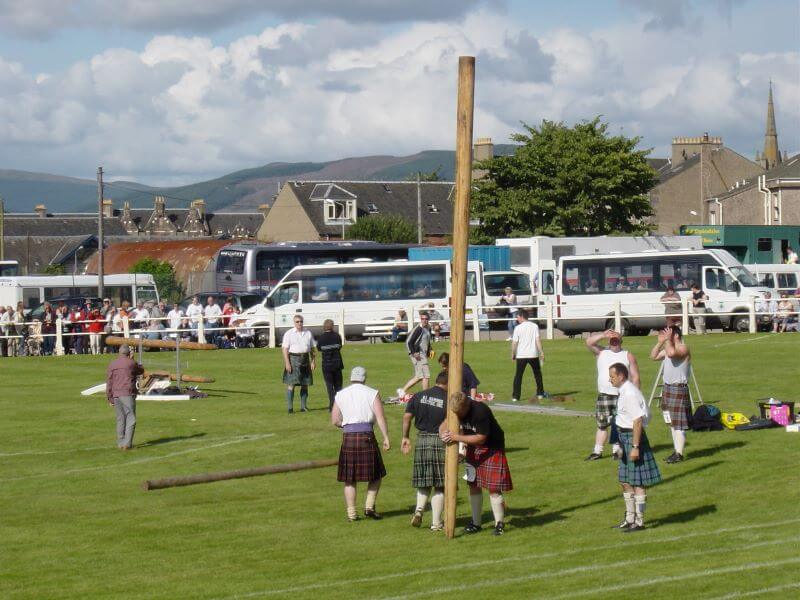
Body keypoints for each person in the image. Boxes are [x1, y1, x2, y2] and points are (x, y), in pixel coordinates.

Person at [441, 391, 512, 536]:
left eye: (460, 412)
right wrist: (443, 433)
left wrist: (456, 437)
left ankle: (499, 524)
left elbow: (481, 438)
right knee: (473, 485)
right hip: (473, 449)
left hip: (492, 448)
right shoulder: (456, 409)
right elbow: (444, 424)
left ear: (466, 405)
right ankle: (476, 523)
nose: (458, 415)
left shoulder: (480, 411)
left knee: (493, 487)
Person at [332, 366, 390, 522]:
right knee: (376, 474)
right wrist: (386, 437)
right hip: (366, 436)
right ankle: (369, 507)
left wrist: (347, 426)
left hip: (348, 438)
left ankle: (351, 513)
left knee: (349, 478)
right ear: (364, 378)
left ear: (351, 378)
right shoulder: (372, 393)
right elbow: (380, 417)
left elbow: (335, 420)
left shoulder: (340, 394)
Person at [608, 362, 661, 532]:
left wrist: (636, 446)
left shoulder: (630, 393)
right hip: (624, 437)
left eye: (612, 377)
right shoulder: (624, 391)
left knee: (637, 482)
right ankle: (629, 518)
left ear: (621, 376)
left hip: (633, 437)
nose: (610, 380)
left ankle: (640, 521)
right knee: (624, 480)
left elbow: (637, 420)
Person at [401, 371, 449, 531]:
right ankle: (436, 523)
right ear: (448, 383)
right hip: (440, 441)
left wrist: (405, 437)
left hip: (422, 439)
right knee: (440, 484)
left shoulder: (419, 395)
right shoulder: (447, 399)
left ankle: (419, 510)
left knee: (423, 480)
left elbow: (407, 417)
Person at [585, 329, 640, 461]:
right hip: (604, 394)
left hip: (621, 395)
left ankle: (617, 450)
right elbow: (588, 342)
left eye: (616, 340)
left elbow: (635, 376)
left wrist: (636, 394)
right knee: (602, 424)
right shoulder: (602, 352)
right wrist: (603, 335)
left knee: (619, 424)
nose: (614, 343)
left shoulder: (627, 355)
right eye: (612, 341)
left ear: (621, 341)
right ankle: (597, 451)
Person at [650, 326, 692, 463]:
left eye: (669, 334)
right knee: (671, 423)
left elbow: (672, 354)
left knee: (678, 424)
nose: (666, 336)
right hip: (668, 389)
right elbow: (653, 356)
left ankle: (679, 454)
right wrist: (659, 342)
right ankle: (676, 452)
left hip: (678, 389)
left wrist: (667, 341)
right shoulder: (668, 348)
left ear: (676, 336)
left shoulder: (683, 348)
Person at [106, 344, 144, 450]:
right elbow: (141, 370)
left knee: (120, 418)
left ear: (119, 352)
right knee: (131, 418)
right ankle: (127, 443)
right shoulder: (131, 363)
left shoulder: (112, 364)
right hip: (127, 393)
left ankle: (120, 442)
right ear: (128, 353)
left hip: (116, 394)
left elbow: (109, 382)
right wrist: (133, 359)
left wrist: (110, 397)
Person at [281, 315, 315, 413]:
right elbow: (285, 349)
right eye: (297, 322)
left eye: (301, 321)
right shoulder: (289, 333)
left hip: (305, 359)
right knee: (291, 384)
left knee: (305, 384)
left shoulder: (308, 333)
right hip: (293, 359)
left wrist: (313, 361)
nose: (299, 323)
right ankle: (290, 407)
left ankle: (303, 406)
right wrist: (287, 363)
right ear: (294, 323)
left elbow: (312, 348)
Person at [510, 308, 545, 402]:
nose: (517, 319)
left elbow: (514, 343)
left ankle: (515, 396)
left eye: (517, 317)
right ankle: (540, 393)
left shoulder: (518, 328)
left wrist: (513, 353)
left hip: (521, 355)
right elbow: (538, 340)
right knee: (537, 374)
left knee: (518, 376)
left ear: (521, 317)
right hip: (533, 354)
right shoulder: (534, 326)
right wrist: (541, 352)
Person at [397, 312, 432, 398]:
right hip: (418, 354)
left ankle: (402, 390)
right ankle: (426, 396)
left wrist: (429, 350)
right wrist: (413, 353)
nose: (424, 320)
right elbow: (409, 342)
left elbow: (427, 341)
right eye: (422, 319)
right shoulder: (418, 329)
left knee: (419, 376)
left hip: (423, 354)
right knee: (426, 375)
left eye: (426, 319)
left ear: (428, 320)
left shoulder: (428, 328)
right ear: (420, 319)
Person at [316, 319, 344, 411]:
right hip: (337, 363)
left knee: (329, 386)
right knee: (338, 386)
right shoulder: (337, 336)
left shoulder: (321, 338)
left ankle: (332, 405)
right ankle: (339, 405)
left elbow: (319, 348)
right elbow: (340, 346)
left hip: (327, 365)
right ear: (332, 326)